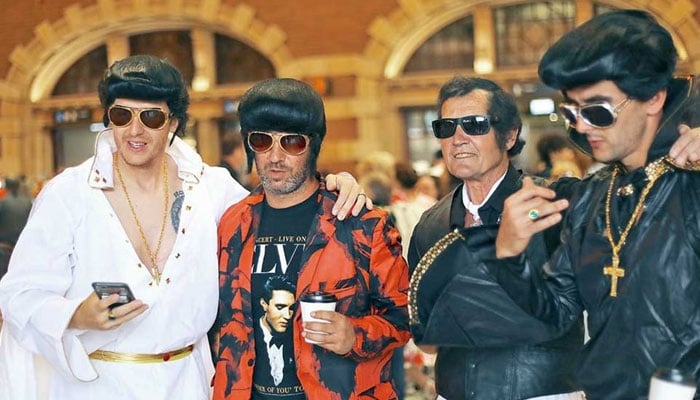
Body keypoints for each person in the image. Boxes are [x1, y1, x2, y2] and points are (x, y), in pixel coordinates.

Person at [0, 55, 370, 400]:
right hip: (95, 385)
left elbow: (279, 209)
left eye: (151, 118)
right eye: (122, 115)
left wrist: (334, 185)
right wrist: (77, 315)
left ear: (174, 123)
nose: (134, 130)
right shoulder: (68, 193)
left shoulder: (210, 188)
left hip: (188, 382)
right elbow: (19, 295)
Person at [431, 10, 700, 400]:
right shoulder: (592, 197)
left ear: (653, 98)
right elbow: (556, 312)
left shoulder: (691, 182)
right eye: (572, 112)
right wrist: (509, 256)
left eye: (597, 111)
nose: (583, 126)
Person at [213, 78, 410, 400]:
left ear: (313, 145)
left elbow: (403, 319)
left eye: (291, 142)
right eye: (262, 141)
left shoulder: (360, 223)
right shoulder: (232, 223)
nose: (275, 156)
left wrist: (355, 335)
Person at [407, 76, 585, 400]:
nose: (458, 138)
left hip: (542, 393)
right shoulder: (430, 225)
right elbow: (425, 337)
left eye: (474, 125)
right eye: (446, 127)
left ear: (510, 135)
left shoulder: (555, 201)